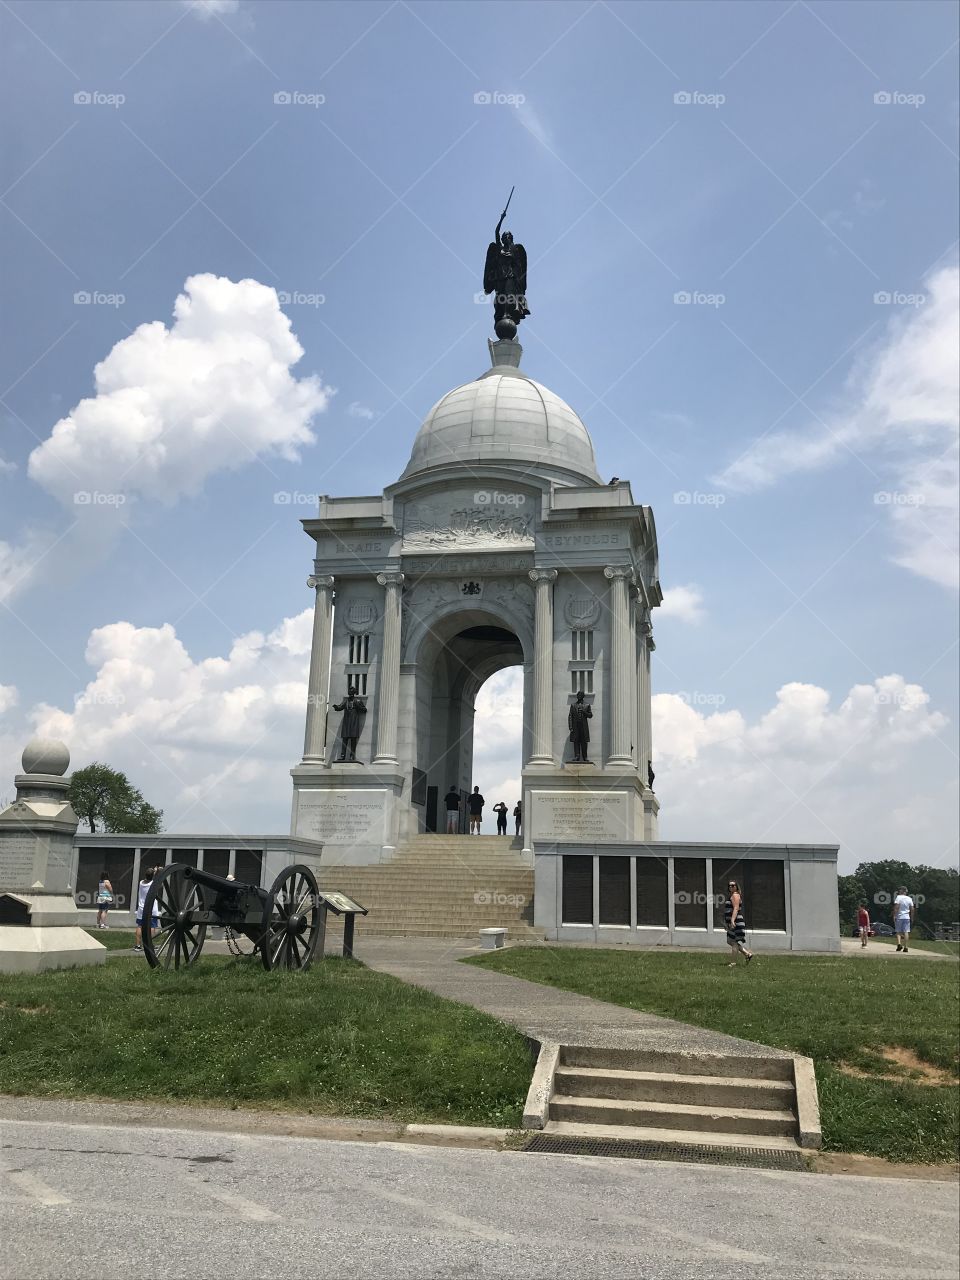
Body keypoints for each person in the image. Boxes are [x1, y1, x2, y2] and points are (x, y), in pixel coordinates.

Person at [723, 880, 753, 966]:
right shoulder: (732, 895)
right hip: (733, 922)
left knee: (733, 942)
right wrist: (727, 922)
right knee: (730, 940)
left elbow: (736, 908)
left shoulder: (735, 895)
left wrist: (732, 920)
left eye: (733, 885)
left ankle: (733, 963)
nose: (730, 887)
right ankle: (747, 954)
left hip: (736, 922)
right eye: (729, 886)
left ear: (736, 886)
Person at [133, 866, 160, 952]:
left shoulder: (141, 883)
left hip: (141, 908)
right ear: (153, 876)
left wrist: (154, 872)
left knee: (140, 926)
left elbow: (149, 877)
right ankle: (150, 944)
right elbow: (159, 882)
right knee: (152, 926)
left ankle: (137, 945)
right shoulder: (153, 884)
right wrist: (157, 871)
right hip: (152, 908)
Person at [893, 885, 915, 953]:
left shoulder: (898, 897)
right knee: (906, 932)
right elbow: (912, 909)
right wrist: (912, 917)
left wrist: (894, 915)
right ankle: (906, 947)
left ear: (902, 891)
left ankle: (899, 944)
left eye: (900, 890)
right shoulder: (909, 899)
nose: (899, 891)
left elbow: (896, 907)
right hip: (906, 917)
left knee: (898, 932)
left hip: (899, 916)